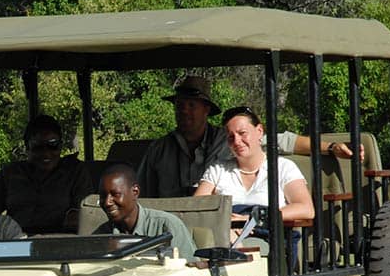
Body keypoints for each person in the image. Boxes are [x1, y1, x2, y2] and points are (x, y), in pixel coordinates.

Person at [137, 76, 361, 199]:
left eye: (191, 105)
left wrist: (331, 147)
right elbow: (143, 193)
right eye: (179, 105)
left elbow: (285, 141)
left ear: (206, 109)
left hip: (217, 225)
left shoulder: (231, 138)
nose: (184, 111)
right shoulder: (159, 149)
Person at [194, 107, 314, 244]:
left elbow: (306, 208)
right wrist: (224, 225)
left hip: (266, 236)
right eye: (231, 137)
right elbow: (197, 208)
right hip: (224, 233)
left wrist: (254, 219)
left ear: (259, 131)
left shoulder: (283, 167)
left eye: (242, 133)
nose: (237, 141)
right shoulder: (218, 169)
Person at [0, 115, 95, 234]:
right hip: (18, 242)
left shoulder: (75, 172)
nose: (46, 153)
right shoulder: (11, 173)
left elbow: (87, 214)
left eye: (52, 145)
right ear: (27, 148)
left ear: (61, 146)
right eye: (37, 147)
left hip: (62, 242)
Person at [93, 163, 198, 259]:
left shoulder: (166, 226)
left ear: (135, 192)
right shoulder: (101, 235)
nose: (107, 202)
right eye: (103, 196)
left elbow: (191, 271)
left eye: (115, 194)